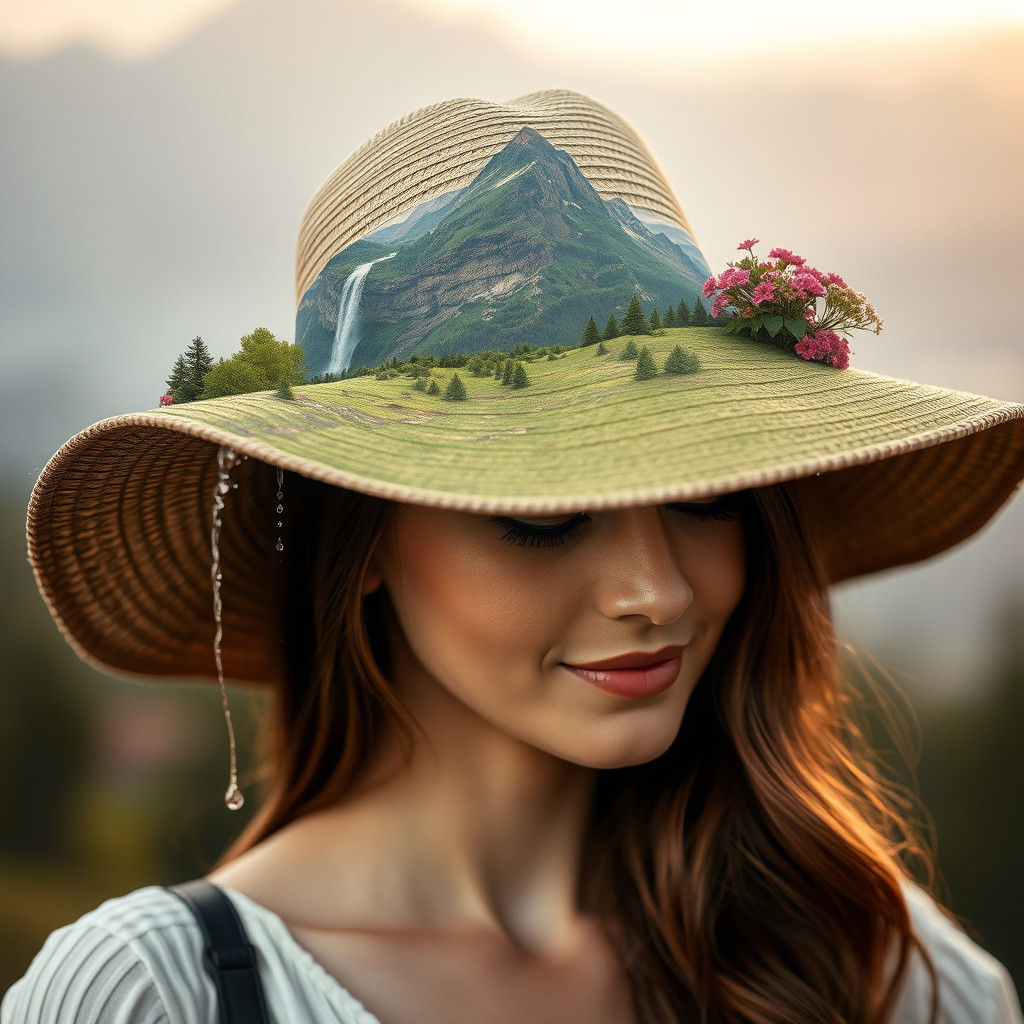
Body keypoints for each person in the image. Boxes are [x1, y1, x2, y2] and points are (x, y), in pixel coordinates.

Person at [4, 88, 1024, 1024]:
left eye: (710, 498)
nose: (655, 590)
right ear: (360, 539)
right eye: (542, 516)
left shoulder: (878, 967)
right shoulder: (156, 994)